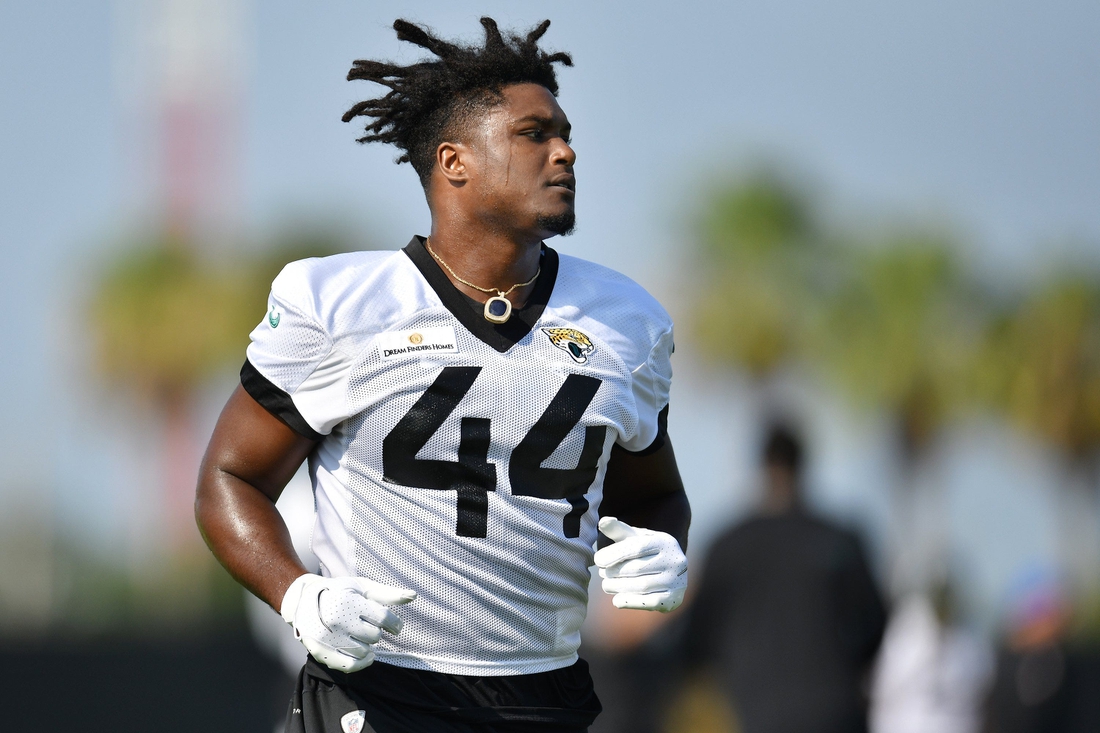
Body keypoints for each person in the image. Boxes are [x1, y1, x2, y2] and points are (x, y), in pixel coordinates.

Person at [194, 17, 690, 733]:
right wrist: (299, 595)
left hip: (547, 699)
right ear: (455, 161)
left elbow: (657, 493)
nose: (566, 150)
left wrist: (666, 546)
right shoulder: (340, 305)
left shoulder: (627, 321)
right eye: (534, 133)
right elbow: (229, 478)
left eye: (565, 132)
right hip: (378, 695)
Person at [685, 423, 886, 733]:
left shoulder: (726, 546)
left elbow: (696, 643)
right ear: (803, 465)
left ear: (762, 465)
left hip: (756, 713)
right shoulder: (841, 541)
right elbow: (877, 629)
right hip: (834, 712)